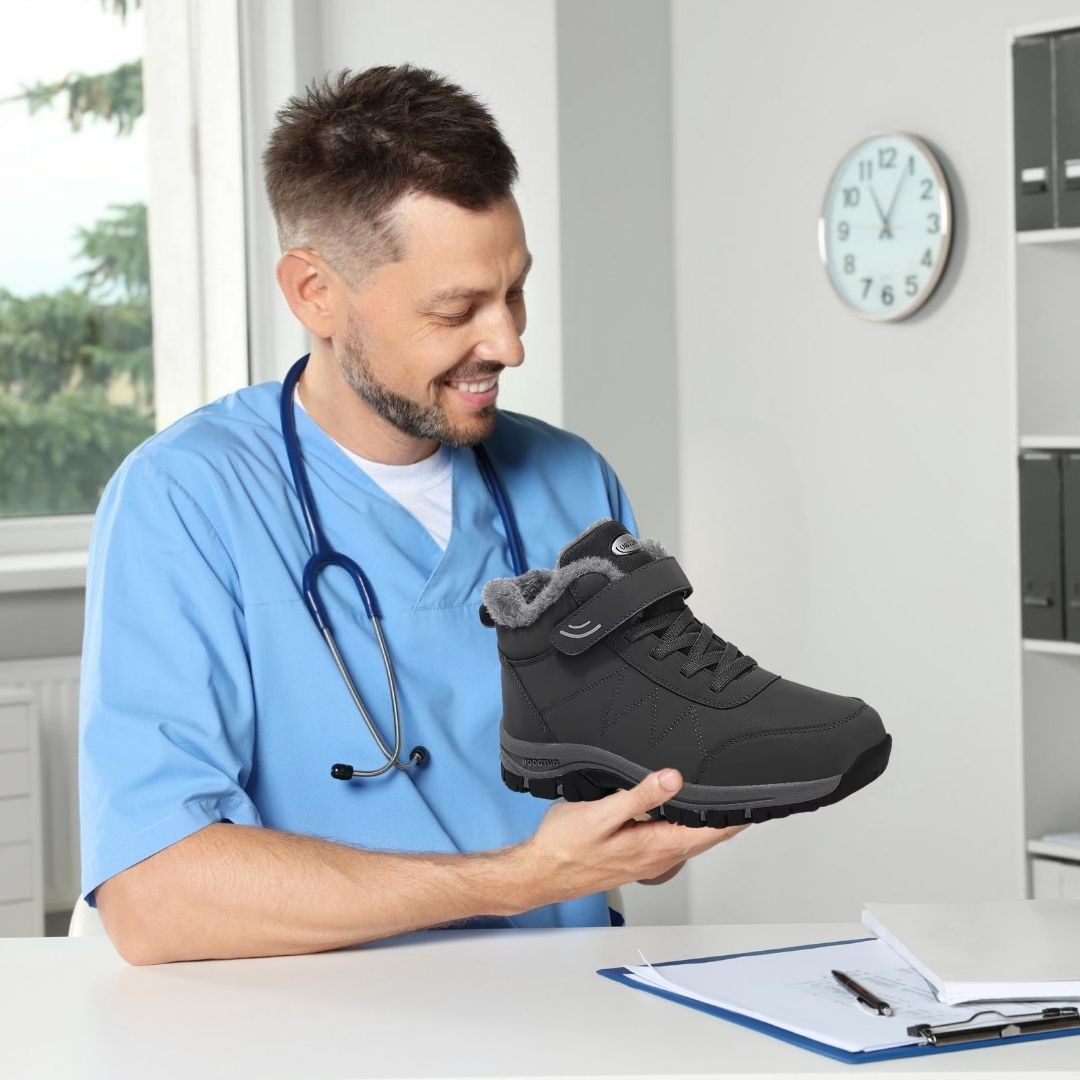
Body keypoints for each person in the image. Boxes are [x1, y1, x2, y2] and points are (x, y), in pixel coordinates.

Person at [79, 64, 748, 966]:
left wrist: (681, 800)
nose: (509, 343)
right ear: (314, 292)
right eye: (457, 309)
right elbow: (154, 897)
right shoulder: (186, 500)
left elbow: (635, 793)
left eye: (514, 292)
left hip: (569, 1002)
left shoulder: (570, 480)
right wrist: (518, 879)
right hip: (322, 1022)